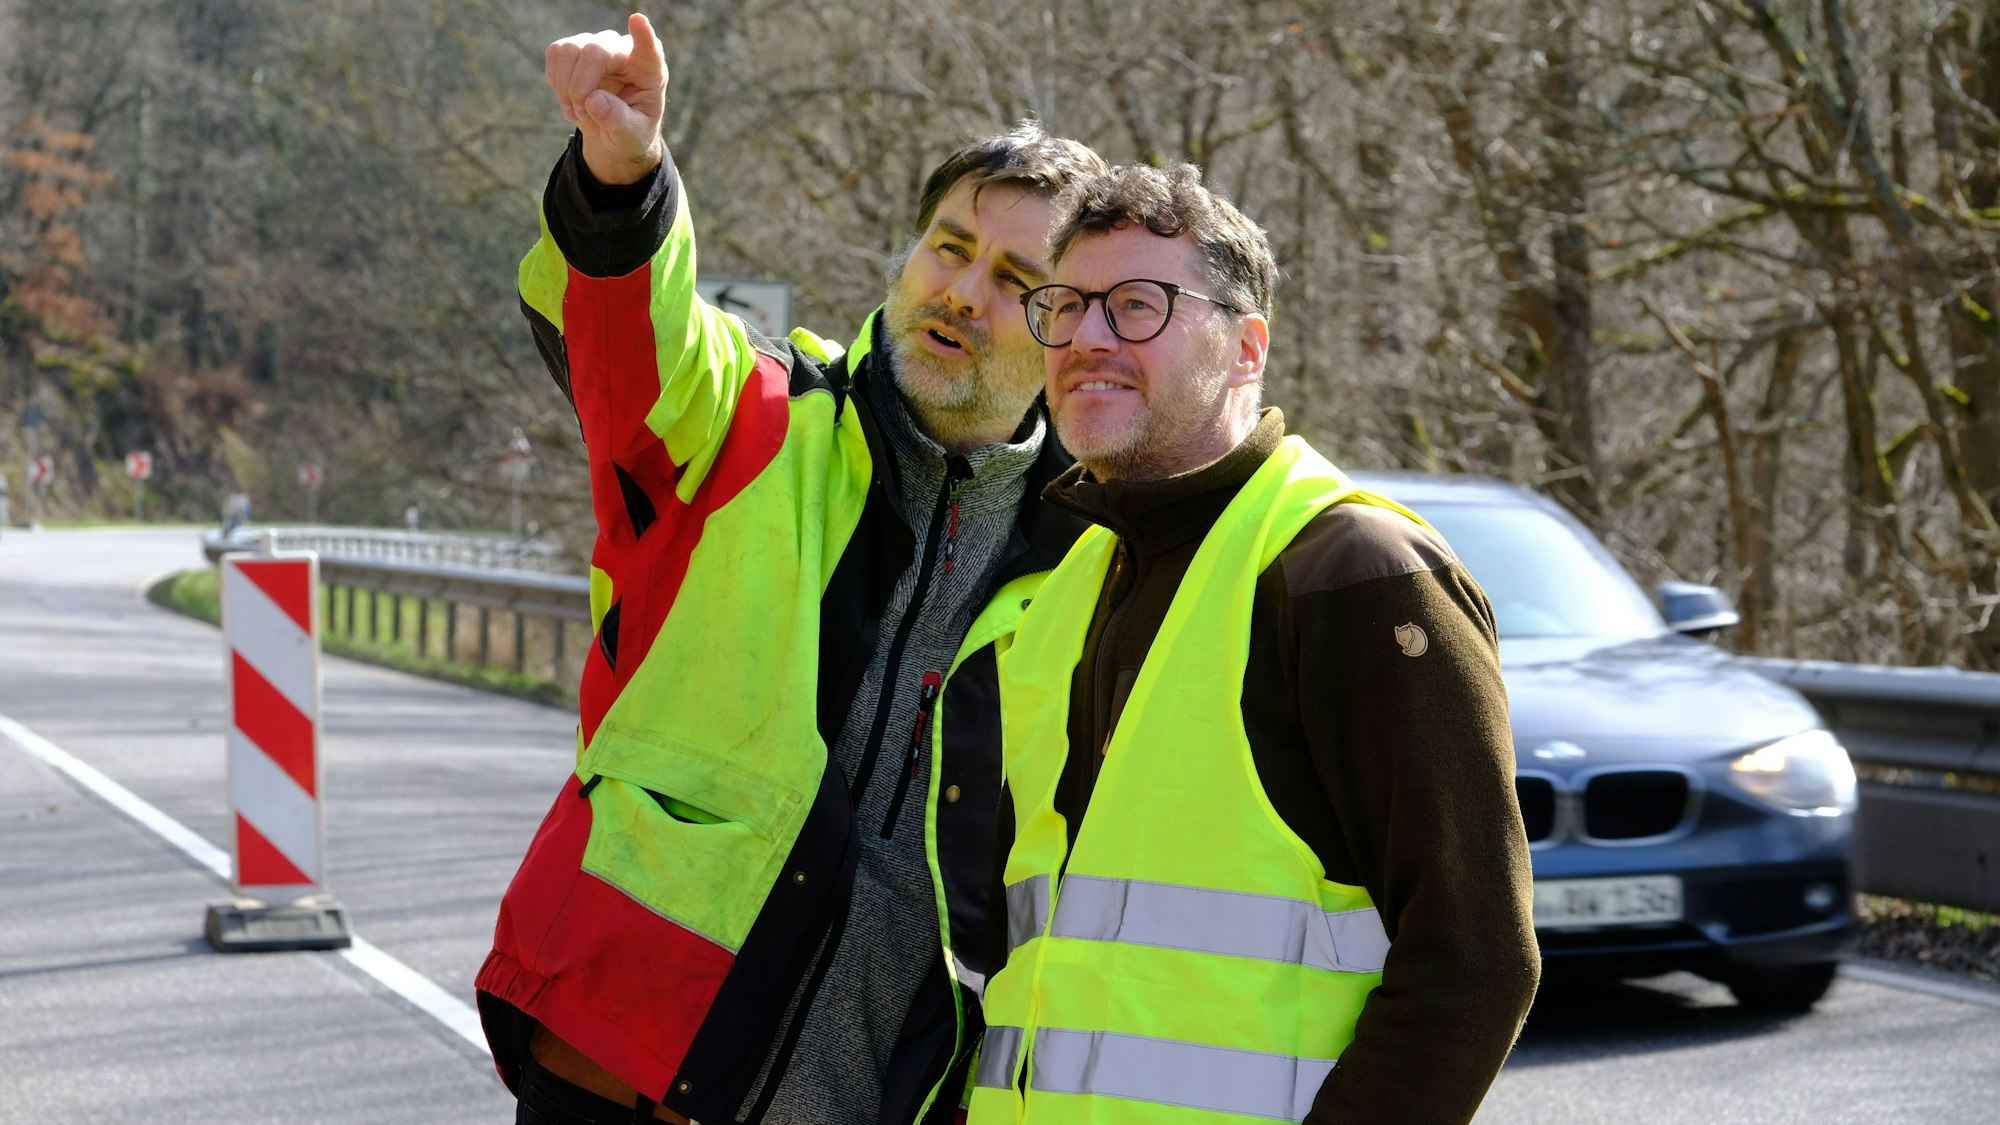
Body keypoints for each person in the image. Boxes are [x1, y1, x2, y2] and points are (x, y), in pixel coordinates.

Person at [474, 13, 1107, 1125]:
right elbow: (630, 338)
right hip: (625, 1063)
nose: (963, 290)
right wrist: (623, 180)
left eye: (1016, 278)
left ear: (1068, 333)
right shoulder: (756, 415)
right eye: (949, 247)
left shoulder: (1091, 560)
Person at [968, 164, 1540, 1124]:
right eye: (1064, 307)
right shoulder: (1064, 592)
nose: (1088, 339)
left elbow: (1476, 962)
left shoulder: (1353, 572)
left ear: (1245, 348)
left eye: (1138, 306)